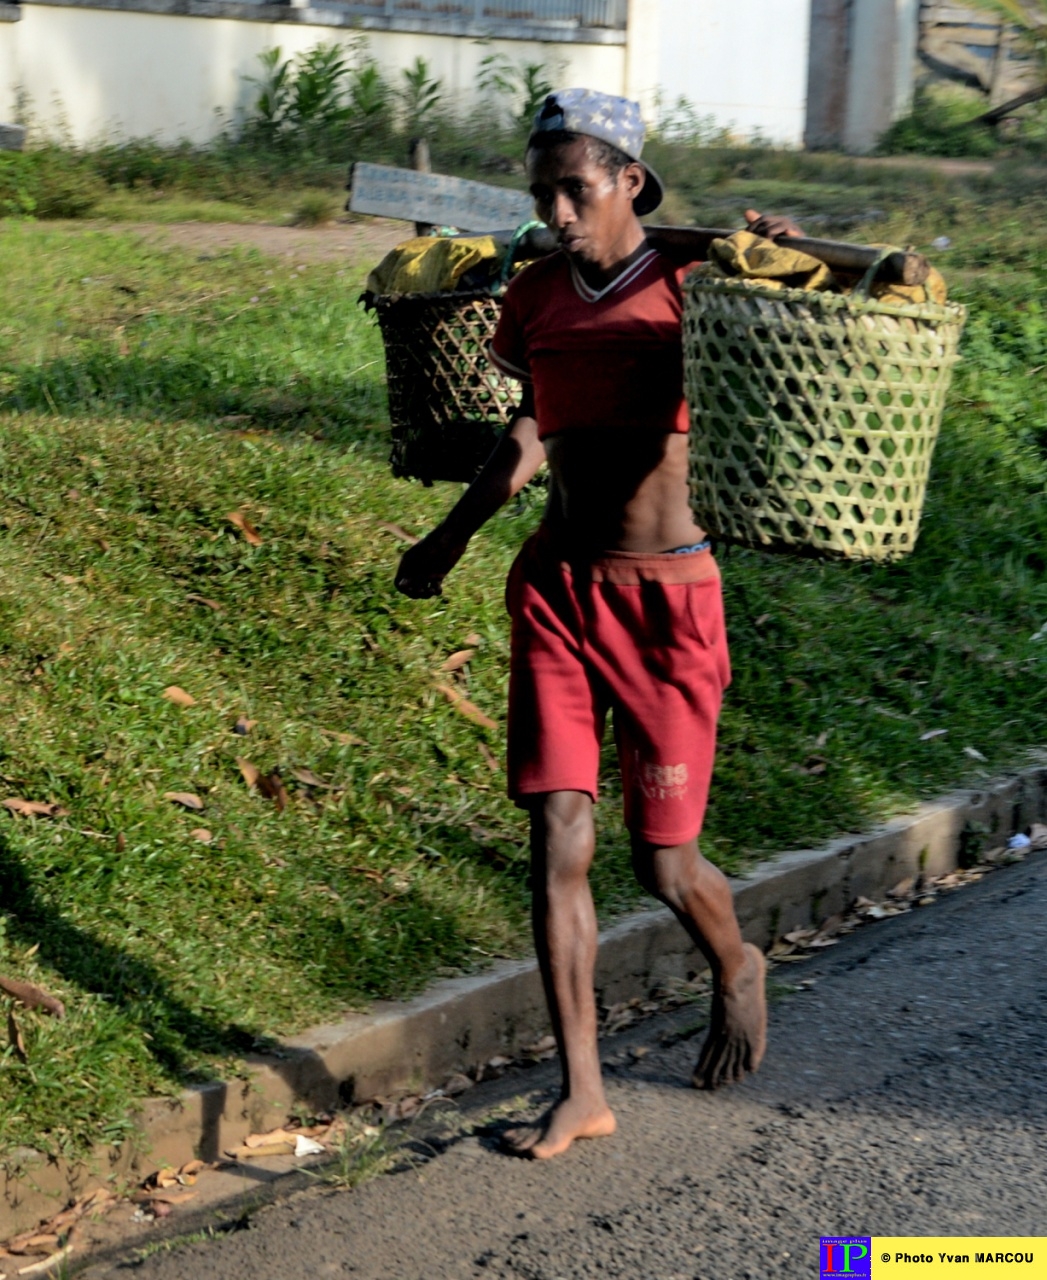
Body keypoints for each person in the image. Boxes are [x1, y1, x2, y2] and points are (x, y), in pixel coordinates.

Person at [395, 88, 801, 1159]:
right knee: (558, 834)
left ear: (630, 181)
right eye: (544, 193)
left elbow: (823, 316)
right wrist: (450, 536)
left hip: (668, 599)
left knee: (667, 865)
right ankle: (582, 1086)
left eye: (576, 188)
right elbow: (532, 426)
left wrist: (783, 260)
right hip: (561, 588)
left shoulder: (695, 283)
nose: (560, 211)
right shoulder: (533, 297)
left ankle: (736, 960)